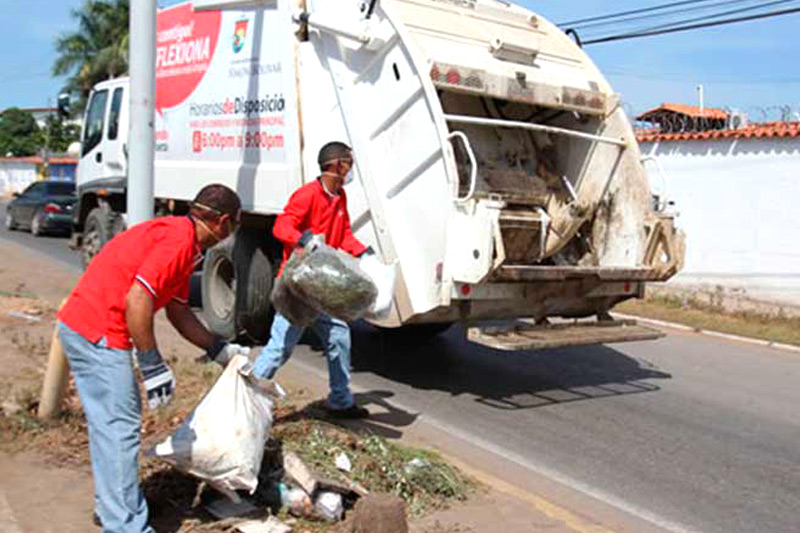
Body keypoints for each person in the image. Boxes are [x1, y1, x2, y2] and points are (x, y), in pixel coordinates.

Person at [57, 184, 248, 533]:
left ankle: (113, 509)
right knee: (120, 429)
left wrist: (217, 348)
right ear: (221, 222)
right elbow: (138, 300)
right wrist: (151, 364)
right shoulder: (177, 242)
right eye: (234, 224)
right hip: (99, 330)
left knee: (110, 427)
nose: (233, 231)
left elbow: (177, 309)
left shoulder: (184, 241)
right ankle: (125, 525)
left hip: (85, 324)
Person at [253, 141, 371, 419]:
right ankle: (247, 394)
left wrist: (364, 253)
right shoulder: (307, 195)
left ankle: (340, 401)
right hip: (296, 287)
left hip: (319, 286)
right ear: (336, 165)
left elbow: (342, 237)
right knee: (281, 347)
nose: (351, 169)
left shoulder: (339, 197)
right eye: (348, 162)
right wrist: (302, 238)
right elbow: (281, 226)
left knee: (339, 336)